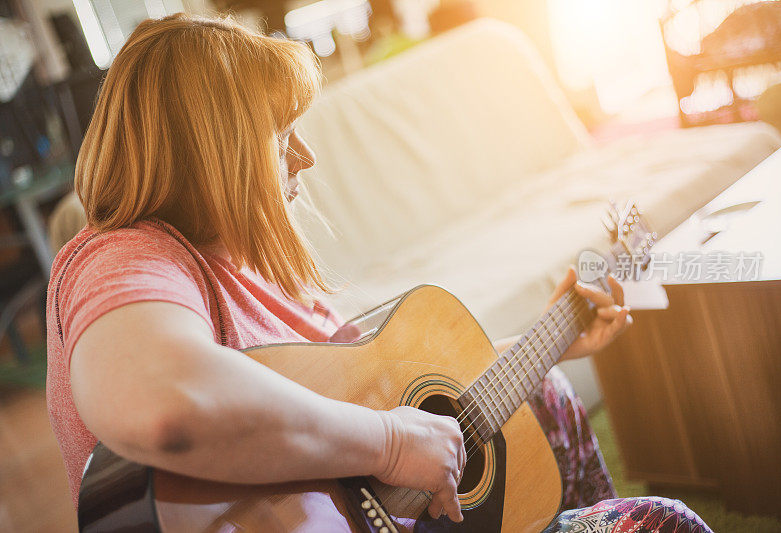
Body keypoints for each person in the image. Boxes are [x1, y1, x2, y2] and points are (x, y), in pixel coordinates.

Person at [46, 13, 711, 532]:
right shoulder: (123, 257)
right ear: (217, 157)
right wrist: (392, 443)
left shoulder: (246, 267)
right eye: (282, 137)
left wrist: (551, 336)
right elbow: (163, 401)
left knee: (552, 392)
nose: (305, 158)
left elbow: (383, 400)